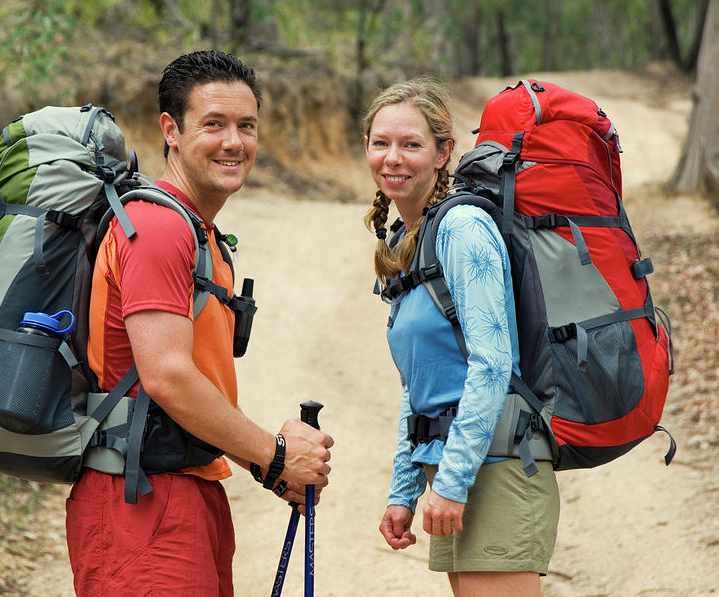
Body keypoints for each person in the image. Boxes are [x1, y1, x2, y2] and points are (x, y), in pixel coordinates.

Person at [65, 50, 334, 597]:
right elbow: (166, 376)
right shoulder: (159, 228)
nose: (233, 142)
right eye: (214, 124)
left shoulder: (199, 233)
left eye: (246, 126)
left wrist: (266, 467)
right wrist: (274, 453)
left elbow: (190, 387)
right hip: (142, 506)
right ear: (171, 129)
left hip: (180, 493)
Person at [363, 77, 560, 597]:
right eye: (380, 143)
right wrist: (405, 490)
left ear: (443, 152)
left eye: (411, 144)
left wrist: (450, 484)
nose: (393, 158)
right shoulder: (409, 240)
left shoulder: (462, 229)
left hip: (494, 468)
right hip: (459, 469)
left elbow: (493, 364)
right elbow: (419, 384)